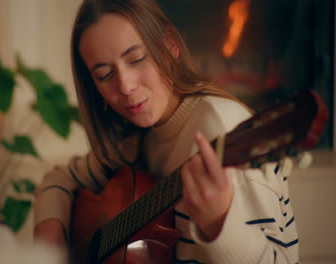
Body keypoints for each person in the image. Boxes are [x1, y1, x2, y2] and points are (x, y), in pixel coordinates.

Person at [33, 0, 299, 263]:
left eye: (136, 59)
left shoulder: (221, 127)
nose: (125, 86)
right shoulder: (134, 140)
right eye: (104, 75)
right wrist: (50, 239)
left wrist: (219, 222)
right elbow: (59, 179)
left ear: (169, 46)